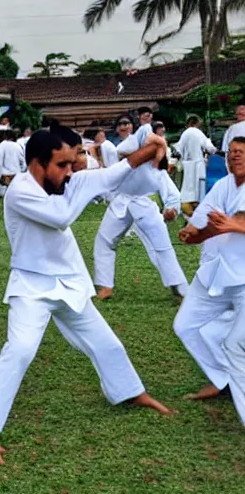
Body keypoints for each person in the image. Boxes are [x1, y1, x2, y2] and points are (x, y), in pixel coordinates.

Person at [0, 126, 173, 465]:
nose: (70, 170)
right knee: (18, 351)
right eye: (62, 164)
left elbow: (111, 176)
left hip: (69, 281)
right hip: (31, 286)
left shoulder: (67, 180)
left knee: (108, 344)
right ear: (37, 163)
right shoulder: (20, 191)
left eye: (72, 162)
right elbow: (61, 218)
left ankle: (131, 392)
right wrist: (81, 183)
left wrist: (150, 150)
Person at [172, 133, 245, 421]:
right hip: (217, 271)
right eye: (232, 151)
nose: (235, 155)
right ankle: (222, 379)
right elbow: (203, 215)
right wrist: (192, 230)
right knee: (185, 326)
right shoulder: (224, 185)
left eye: (242, 151)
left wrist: (225, 226)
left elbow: (237, 221)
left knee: (235, 345)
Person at [93, 119, 186, 301]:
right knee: (104, 241)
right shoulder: (121, 151)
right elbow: (113, 171)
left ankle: (179, 289)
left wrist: (172, 209)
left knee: (161, 247)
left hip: (145, 205)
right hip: (121, 203)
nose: (123, 127)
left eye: (127, 124)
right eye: (120, 124)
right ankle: (105, 287)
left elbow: (172, 193)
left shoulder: (153, 164)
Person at [176, 115, 217, 211]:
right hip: (198, 164)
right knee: (199, 188)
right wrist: (213, 150)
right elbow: (209, 147)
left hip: (187, 165)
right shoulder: (198, 133)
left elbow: (179, 149)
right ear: (195, 123)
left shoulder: (184, 134)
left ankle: (187, 208)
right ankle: (198, 208)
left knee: (187, 187)